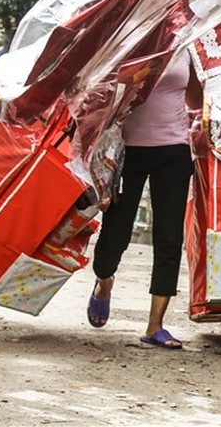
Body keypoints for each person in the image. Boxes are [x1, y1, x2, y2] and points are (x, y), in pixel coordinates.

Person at [86, 52, 194, 349]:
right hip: (128, 150)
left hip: (175, 150)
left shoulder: (189, 47)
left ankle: (155, 326)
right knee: (115, 233)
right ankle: (104, 281)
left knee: (169, 237)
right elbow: (104, 90)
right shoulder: (138, 41)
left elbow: (195, 99)